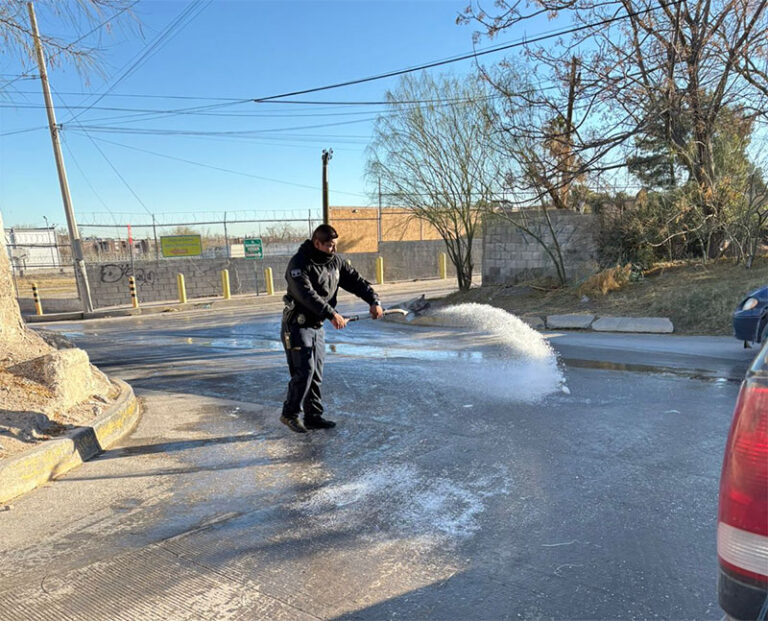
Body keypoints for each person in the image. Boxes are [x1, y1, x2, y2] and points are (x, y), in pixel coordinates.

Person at [280, 224, 383, 433]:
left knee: (316, 373)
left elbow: (356, 281)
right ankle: (289, 414)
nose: (333, 249)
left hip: (317, 326)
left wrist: (373, 301)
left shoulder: (335, 262)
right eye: (329, 245)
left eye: (335, 245)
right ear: (317, 243)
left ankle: (313, 416)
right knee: (304, 371)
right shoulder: (299, 263)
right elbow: (306, 295)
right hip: (297, 326)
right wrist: (332, 314)